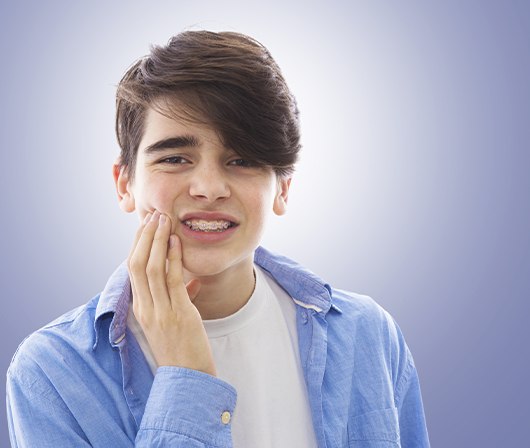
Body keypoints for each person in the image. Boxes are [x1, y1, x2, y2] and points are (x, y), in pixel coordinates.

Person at [6, 30, 430, 447]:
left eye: (242, 159)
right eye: (174, 158)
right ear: (124, 184)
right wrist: (186, 377)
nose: (209, 187)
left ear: (282, 188)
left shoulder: (367, 334)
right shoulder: (52, 372)